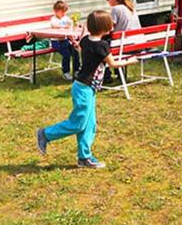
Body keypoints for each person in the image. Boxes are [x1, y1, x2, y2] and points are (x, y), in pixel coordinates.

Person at [36, 10, 134, 169]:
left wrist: (81, 32)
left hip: (86, 88)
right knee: (79, 123)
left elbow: (81, 46)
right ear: (105, 27)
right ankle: (45, 134)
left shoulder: (87, 41)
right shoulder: (102, 46)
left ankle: (84, 157)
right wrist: (131, 60)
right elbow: (113, 64)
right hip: (84, 89)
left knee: (90, 124)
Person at [106, 0, 140, 83]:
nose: (107, 1)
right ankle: (119, 74)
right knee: (115, 43)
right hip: (137, 43)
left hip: (124, 45)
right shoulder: (131, 8)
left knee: (101, 47)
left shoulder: (116, 9)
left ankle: (106, 76)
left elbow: (109, 28)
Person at [49, 0, 80, 81]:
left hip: (65, 40)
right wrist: (64, 26)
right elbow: (54, 26)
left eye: (65, 12)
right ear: (56, 11)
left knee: (75, 52)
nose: (64, 14)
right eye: (62, 12)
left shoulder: (66, 18)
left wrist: (74, 23)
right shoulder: (54, 19)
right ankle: (66, 72)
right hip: (56, 41)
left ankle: (77, 70)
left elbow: (70, 27)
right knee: (66, 55)